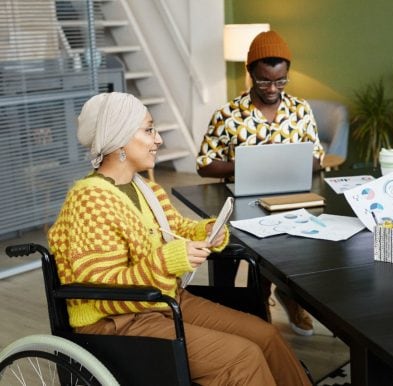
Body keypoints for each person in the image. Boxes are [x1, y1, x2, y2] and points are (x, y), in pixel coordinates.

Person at [47, 92, 312, 386]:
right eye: (148, 130)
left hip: (163, 302)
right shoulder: (89, 199)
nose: (158, 139)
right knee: (242, 358)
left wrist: (207, 232)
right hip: (117, 321)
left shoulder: (145, 188)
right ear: (119, 138)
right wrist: (169, 259)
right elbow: (98, 282)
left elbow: (176, 228)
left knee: (267, 335)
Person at [196, 30, 324, 337]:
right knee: (252, 250)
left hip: (291, 198)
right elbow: (203, 165)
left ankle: (289, 297)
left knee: (305, 247)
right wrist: (245, 166)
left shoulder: (300, 109)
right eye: (264, 80)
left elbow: (318, 158)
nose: (272, 88)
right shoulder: (227, 115)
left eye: (281, 81)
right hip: (244, 201)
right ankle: (258, 302)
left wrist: (285, 162)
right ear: (251, 72)